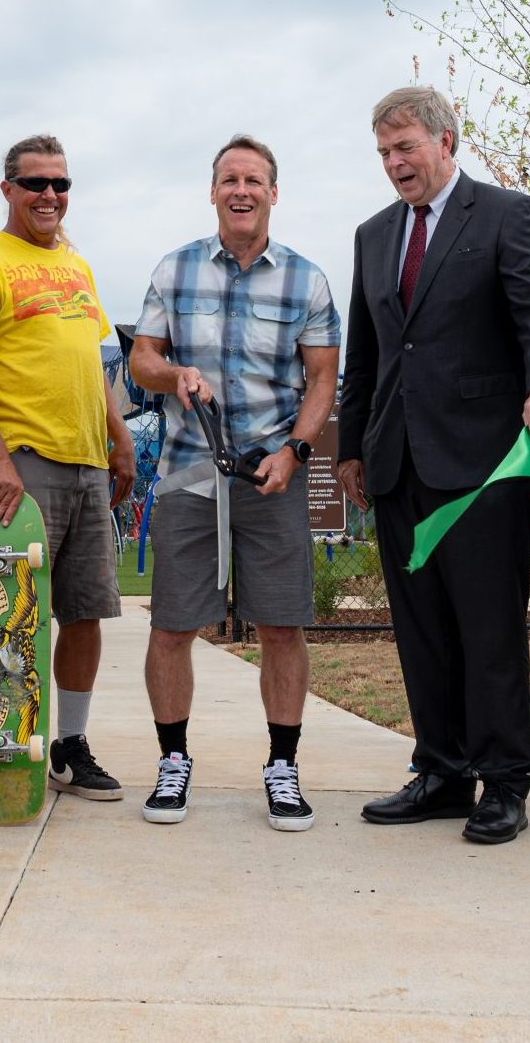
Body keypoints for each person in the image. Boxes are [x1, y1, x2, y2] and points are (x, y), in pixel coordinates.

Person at [337, 86, 530, 847]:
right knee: (421, 631)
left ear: (445, 141)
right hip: (396, 461)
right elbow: (366, 352)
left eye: (404, 148)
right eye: (383, 153)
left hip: (480, 462)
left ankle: (503, 779)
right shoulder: (373, 235)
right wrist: (349, 449)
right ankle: (440, 771)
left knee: (487, 627)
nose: (394, 164)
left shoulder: (504, 213)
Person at [129, 136, 340, 831]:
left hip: (270, 476)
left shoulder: (306, 280)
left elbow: (320, 378)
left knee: (281, 625)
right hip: (189, 475)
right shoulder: (175, 269)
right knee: (171, 627)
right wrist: (173, 375)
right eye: (228, 179)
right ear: (212, 191)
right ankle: (172, 763)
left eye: (253, 179)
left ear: (273, 193)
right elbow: (143, 360)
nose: (240, 189)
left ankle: (282, 767)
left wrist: (296, 452)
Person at [0, 134, 138, 803]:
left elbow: (92, 365)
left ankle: (68, 747)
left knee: (83, 614)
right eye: (34, 184)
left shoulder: (77, 267)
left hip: (85, 467)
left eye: (59, 184)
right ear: (8, 190)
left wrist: (119, 440)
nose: (48, 195)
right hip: (19, 471)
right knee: (7, 619)